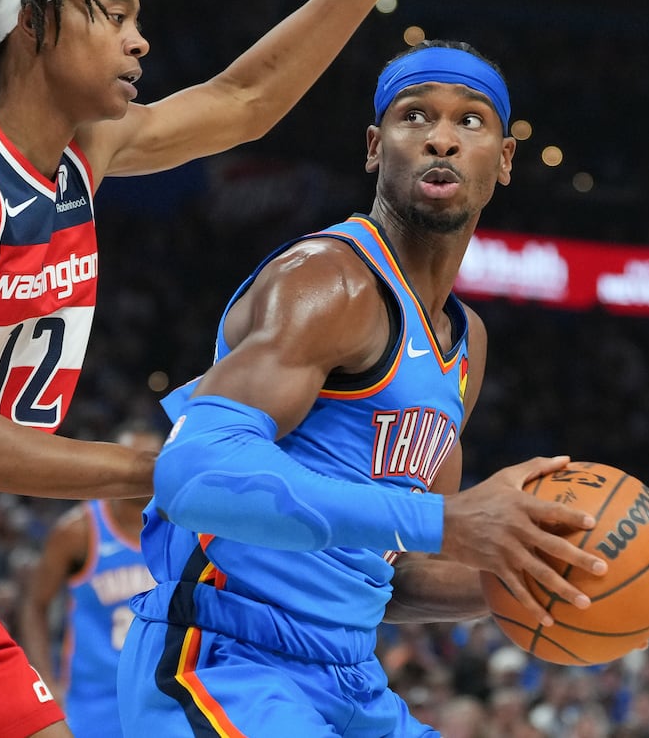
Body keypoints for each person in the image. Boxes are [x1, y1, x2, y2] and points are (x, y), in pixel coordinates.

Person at [0, 0, 454, 738]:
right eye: (119, 17)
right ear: (33, 27)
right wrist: (148, 468)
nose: (141, 41)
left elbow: (246, 97)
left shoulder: (78, 157)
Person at [118, 39, 615, 737]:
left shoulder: (464, 343)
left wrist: (548, 590)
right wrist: (448, 522)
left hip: (349, 676)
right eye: (416, 117)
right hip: (227, 659)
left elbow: (390, 575)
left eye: (470, 121)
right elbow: (192, 475)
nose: (441, 137)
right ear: (376, 148)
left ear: (504, 161)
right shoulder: (328, 282)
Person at [17, 422, 166, 738]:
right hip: (91, 702)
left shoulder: (185, 528)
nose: (140, 469)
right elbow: (34, 604)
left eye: (149, 460)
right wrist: (44, 678)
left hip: (162, 696)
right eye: (130, 458)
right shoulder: (77, 531)